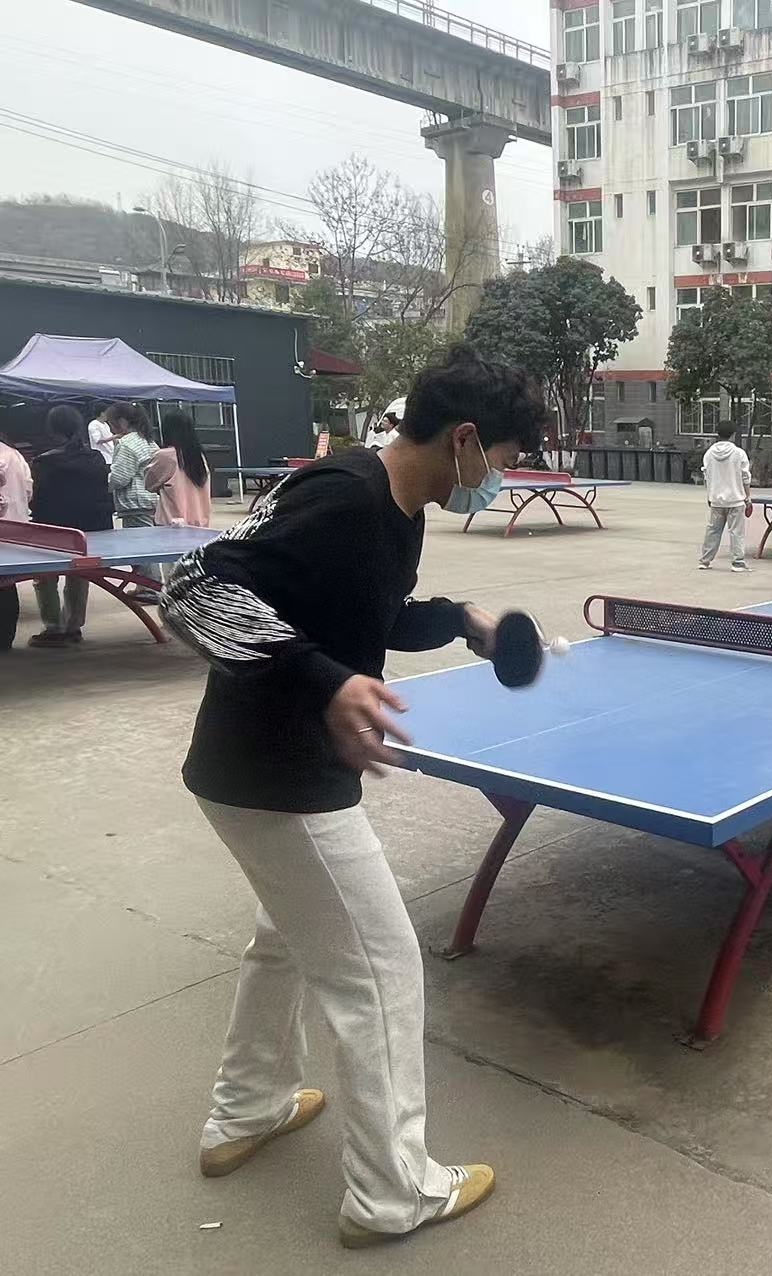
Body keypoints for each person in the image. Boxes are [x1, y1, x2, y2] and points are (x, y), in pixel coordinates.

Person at [160, 345, 547, 1249]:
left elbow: (364, 609)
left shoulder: (397, 507)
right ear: (464, 439)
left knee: (284, 940)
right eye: (505, 456)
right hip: (278, 777)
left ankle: (246, 1109)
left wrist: (459, 620)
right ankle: (392, 1191)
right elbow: (191, 587)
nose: (503, 477)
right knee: (380, 972)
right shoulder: (343, 495)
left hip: (255, 771)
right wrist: (323, 680)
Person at [28, 404, 114, 647]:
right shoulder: (96, 458)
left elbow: (38, 500)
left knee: (45, 577)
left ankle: (53, 628)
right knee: (79, 576)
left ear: (52, 429)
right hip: (88, 532)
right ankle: (73, 627)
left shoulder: (44, 462)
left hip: (53, 531)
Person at [108, 402, 162, 600]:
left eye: (112, 423)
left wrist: (103, 480)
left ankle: (150, 588)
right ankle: (147, 586)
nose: (111, 428)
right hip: (151, 499)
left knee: (141, 547)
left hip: (135, 502)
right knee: (149, 545)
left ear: (122, 421)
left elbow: (119, 477)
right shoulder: (148, 441)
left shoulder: (127, 444)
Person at [696, 421, 753, 572]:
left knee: (712, 531)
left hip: (716, 500)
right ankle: (737, 563)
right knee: (736, 533)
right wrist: (748, 496)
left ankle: (705, 561)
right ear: (733, 435)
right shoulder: (739, 453)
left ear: (718, 434)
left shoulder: (709, 454)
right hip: (735, 500)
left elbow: (707, 477)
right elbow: (745, 477)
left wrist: (709, 496)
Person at [144, 411, 214, 528]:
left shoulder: (165, 456)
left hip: (172, 524)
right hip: (199, 522)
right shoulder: (200, 457)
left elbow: (149, 484)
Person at [0, 425, 32, 651]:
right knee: (7, 585)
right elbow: (29, 492)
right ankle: (5, 639)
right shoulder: (15, 455)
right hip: (18, 530)